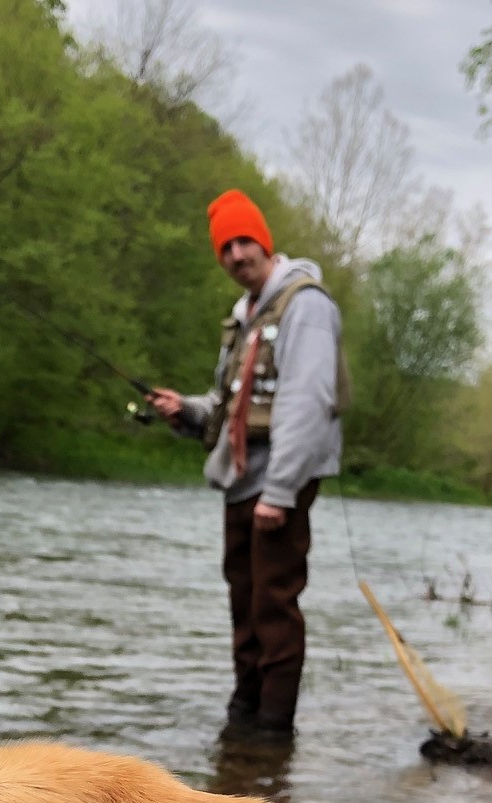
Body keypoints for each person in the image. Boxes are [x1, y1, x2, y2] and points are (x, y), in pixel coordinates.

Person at [149, 189, 346, 739]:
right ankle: (244, 720)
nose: (236, 255)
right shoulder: (244, 318)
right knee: (245, 600)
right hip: (240, 481)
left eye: (244, 241)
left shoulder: (305, 304)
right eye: (225, 248)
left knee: (274, 604)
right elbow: (230, 404)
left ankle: (272, 732)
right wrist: (185, 411)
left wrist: (280, 493)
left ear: (265, 241)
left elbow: (307, 402)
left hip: (277, 483)